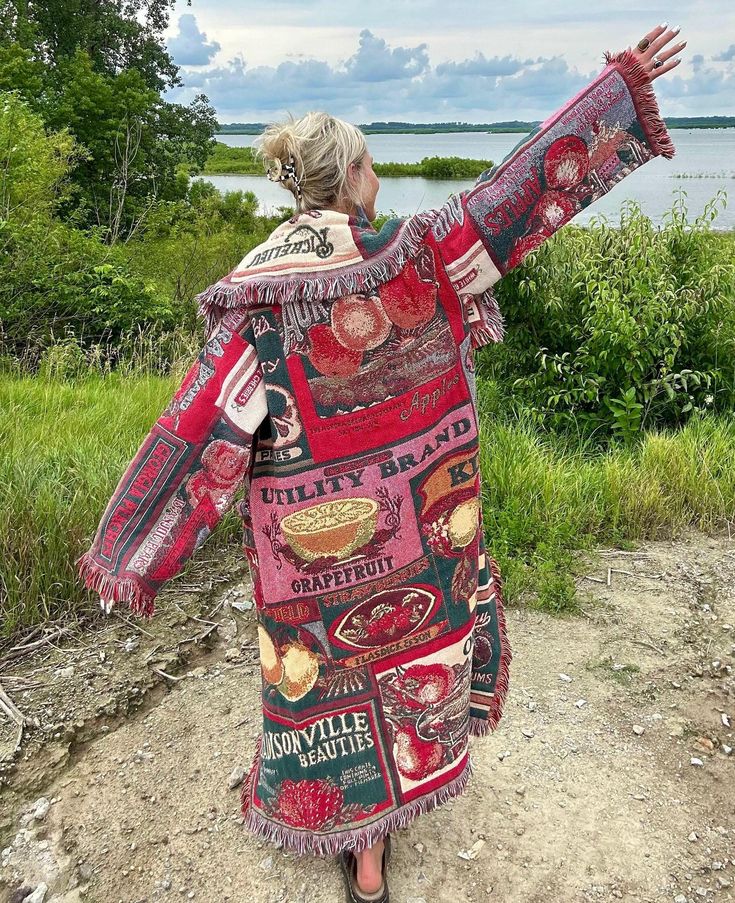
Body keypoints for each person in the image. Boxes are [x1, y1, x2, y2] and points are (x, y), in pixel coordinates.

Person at [77, 25, 684, 903]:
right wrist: (616, 92)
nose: (377, 179)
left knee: (318, 677)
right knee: (413, 658)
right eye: (368, 166)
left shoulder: (249, 294)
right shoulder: (412, 252)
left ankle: (354, 843)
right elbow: (513, 197)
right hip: (423, 532)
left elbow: (195, 435)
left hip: (308, 563)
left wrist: (132, 552)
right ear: (352, 177)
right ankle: (392, 823)